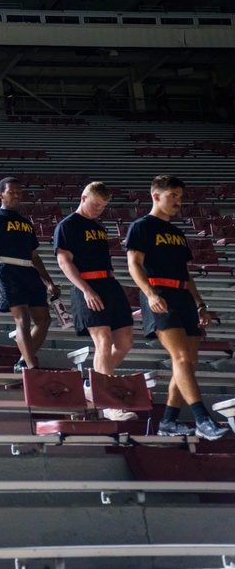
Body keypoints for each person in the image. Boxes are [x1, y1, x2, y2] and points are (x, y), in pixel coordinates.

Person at [126, 175, 229, 440]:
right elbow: (133, 265)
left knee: (189, 364)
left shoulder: (177, 232)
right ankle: (202, 419)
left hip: (183, 296)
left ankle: (169, 422)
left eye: (180, 196)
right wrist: (149, 294)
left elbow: (185, 273)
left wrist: (200, 304)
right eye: (173, 195)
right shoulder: (141, 226)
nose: (178, 201)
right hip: (159, 294)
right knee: (182, 359)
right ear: (156, 196)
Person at [54, 181, 137, 421]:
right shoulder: (67, 225)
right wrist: (86, 290)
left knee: (125, 343)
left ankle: (93, 385)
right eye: (96, 204)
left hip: (110, 284)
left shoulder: (98, 228)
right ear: (83, 198)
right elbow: (64, 262)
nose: (99, 209)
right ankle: (108, 402)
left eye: (103, 206)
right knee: (102, 340)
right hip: (87, 286)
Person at [0, 177, 59, 372]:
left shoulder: (26, 223)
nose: (16, 195)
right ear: (1, 194)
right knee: (22, 318)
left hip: (29, 272)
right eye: (11, 191)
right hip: (7, 269)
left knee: (44, 320)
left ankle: (24, 361)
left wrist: (48, 281)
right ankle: (32, 368)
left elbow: (34, 255)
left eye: (19, 192)